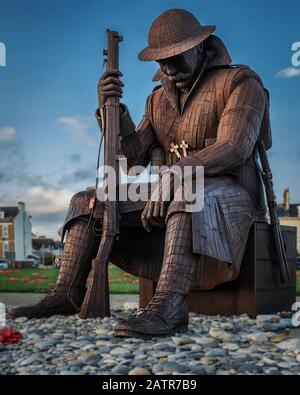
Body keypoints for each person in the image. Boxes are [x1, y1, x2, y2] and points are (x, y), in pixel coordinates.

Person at [10, 8, 271, 338]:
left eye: (175, 57)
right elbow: (132, 161)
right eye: (161, 61)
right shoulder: (157, 100)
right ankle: (67, 293)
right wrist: (113, 113)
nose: (167, 68)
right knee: (87, 202)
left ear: (200, 45)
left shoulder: (240, 81)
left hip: (231, 195)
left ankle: (170, 305)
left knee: (188, 195)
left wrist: (176, 173)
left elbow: (235, 147)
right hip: (176, 191)